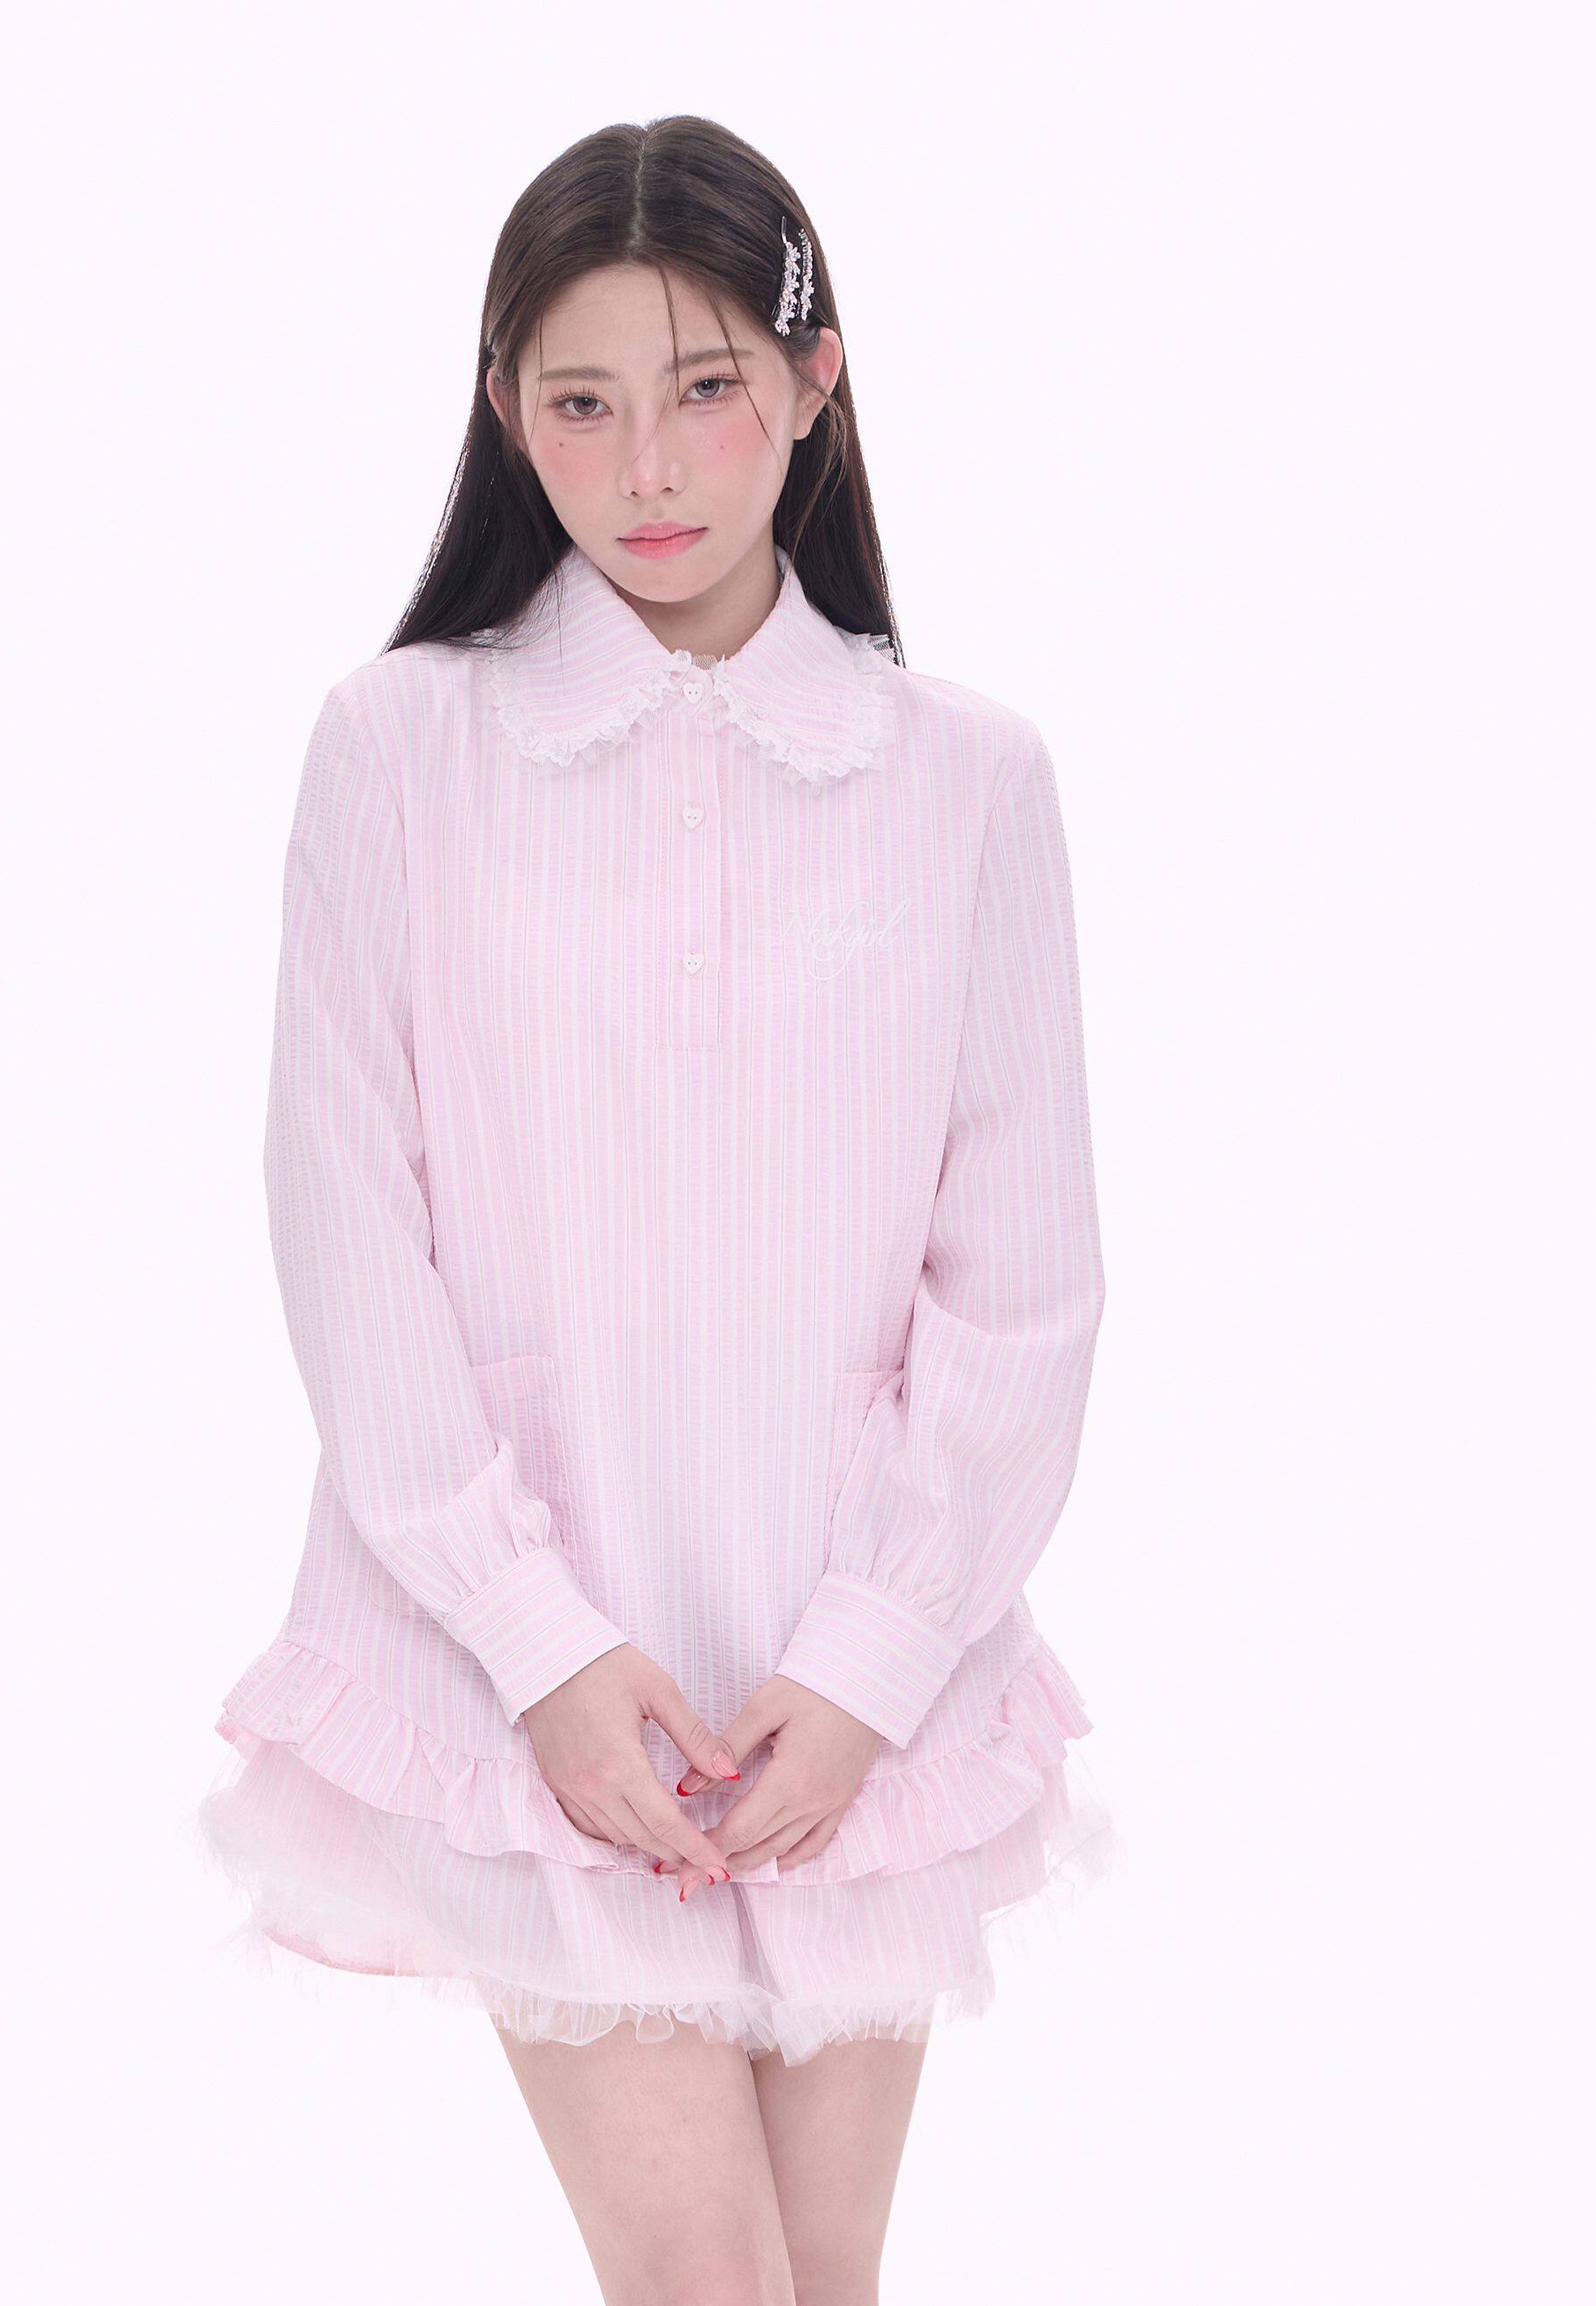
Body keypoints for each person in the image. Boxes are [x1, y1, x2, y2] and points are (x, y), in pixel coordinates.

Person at [194, 114, 1120, 2300]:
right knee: (707, 2271)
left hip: (854, 1659)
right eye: (579, 403)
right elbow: (346, 1225)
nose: (646, 469)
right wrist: (535, 1641)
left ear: (812, 381)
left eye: (703, 387)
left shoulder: (966, 779)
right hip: (522, 1639)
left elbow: (1022, 1286)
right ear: (503, 413)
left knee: (815, 2277)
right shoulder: (399, 749)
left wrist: (873, 1659)